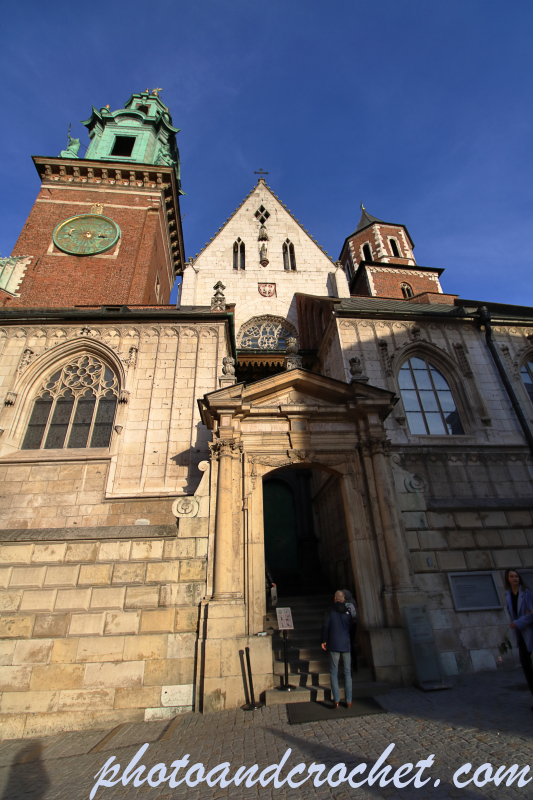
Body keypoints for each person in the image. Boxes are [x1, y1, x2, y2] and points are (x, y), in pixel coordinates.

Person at [504, 569, 533, 709]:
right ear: (508, 579)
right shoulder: (508, 595)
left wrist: (518, 622)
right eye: (512, 576)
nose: (515, 578)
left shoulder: (527, 594)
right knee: (526, 666)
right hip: (520, 634)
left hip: (530, 633)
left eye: (516, 576)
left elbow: (531, 614)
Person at [321, 590, 353, 708]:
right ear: (343, 600)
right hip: (346, 644)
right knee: (347, 673)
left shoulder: (330, 611)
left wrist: (323, 640)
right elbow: (350, 627)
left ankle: (337, 700)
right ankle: (349, 701)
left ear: (335, 599)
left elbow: (325, 625)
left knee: (334, 672)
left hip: (334, 644)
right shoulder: (348, 612)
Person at [342, 588, 358, 672]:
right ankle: (354, 665)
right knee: (351, 645)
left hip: (346, 627)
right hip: (353, 626)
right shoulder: (353, 602)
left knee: (346, 647)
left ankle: (349, 667)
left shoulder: (343, 604)